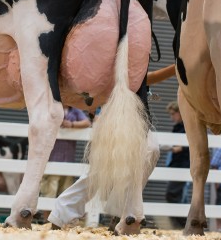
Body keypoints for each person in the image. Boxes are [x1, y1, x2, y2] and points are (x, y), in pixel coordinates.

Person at [48, 64, 175, 229]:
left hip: (138, 123)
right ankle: (62, 213)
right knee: (98, 172)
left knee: (150, 151)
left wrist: (178, 67)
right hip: (114, 120)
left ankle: (121, 213)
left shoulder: (137, 67)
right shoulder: (114, 66)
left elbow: (148, 77)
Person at [39, 106, 90, 220]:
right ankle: (46, 219)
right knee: (49, 191)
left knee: (66, 191)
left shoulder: (75, 110)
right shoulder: (52, 108)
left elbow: (87, 122)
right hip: (52, 159)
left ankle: (62, 220)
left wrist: (71, 125)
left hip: (68, 159)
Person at [164, 101, 190, 229]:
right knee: (180, 196)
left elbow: (188, 146)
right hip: (176, 164)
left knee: (172, 194)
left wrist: (175, 148)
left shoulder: (187, 127)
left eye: (173, 114)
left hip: (183, 165)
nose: (171, 117)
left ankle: (184, 224)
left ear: (180, 112)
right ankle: (181, 226)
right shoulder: (177, 127)